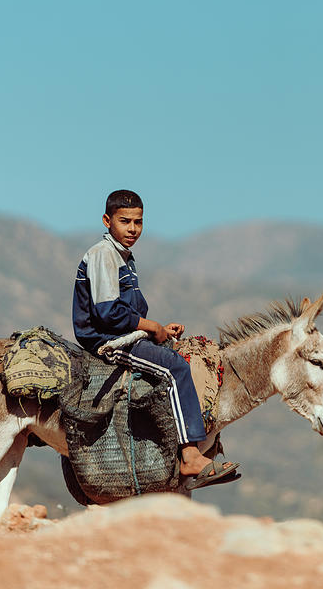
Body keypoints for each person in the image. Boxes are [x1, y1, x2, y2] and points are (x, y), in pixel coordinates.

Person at [72, 189, 239, 489]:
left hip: (127, 333)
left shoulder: (125, 257)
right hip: (108, 340)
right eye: (125, 221)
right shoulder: (102, 254)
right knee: (175, 368)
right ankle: (189, 455)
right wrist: (152, 328)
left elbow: (128, 310)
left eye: (138, 222)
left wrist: (159, 330)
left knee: (185, 356)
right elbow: (108, 312)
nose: (133, 229)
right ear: (107, 220)